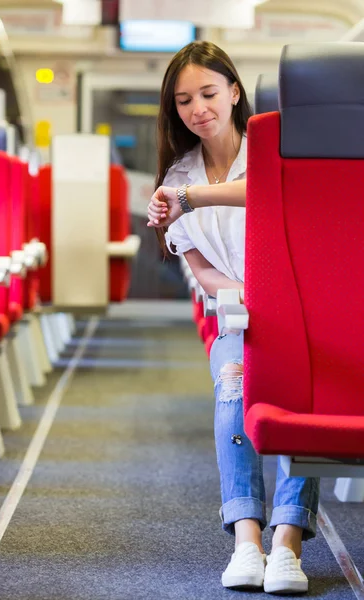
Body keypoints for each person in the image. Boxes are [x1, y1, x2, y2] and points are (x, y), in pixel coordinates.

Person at [148, 41, 319, 594]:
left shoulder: (268, 147)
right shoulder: (179, 172)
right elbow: (201, 270)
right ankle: (247, 538)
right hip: (240, 312)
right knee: (231, 387)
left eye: (208, 93)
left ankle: (288, 541)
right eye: (183, 100)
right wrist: (246, 295)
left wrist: (189, 198)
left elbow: (270, 190)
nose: (198, 108)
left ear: (235, 92)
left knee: (303, 401)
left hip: (300, 308)